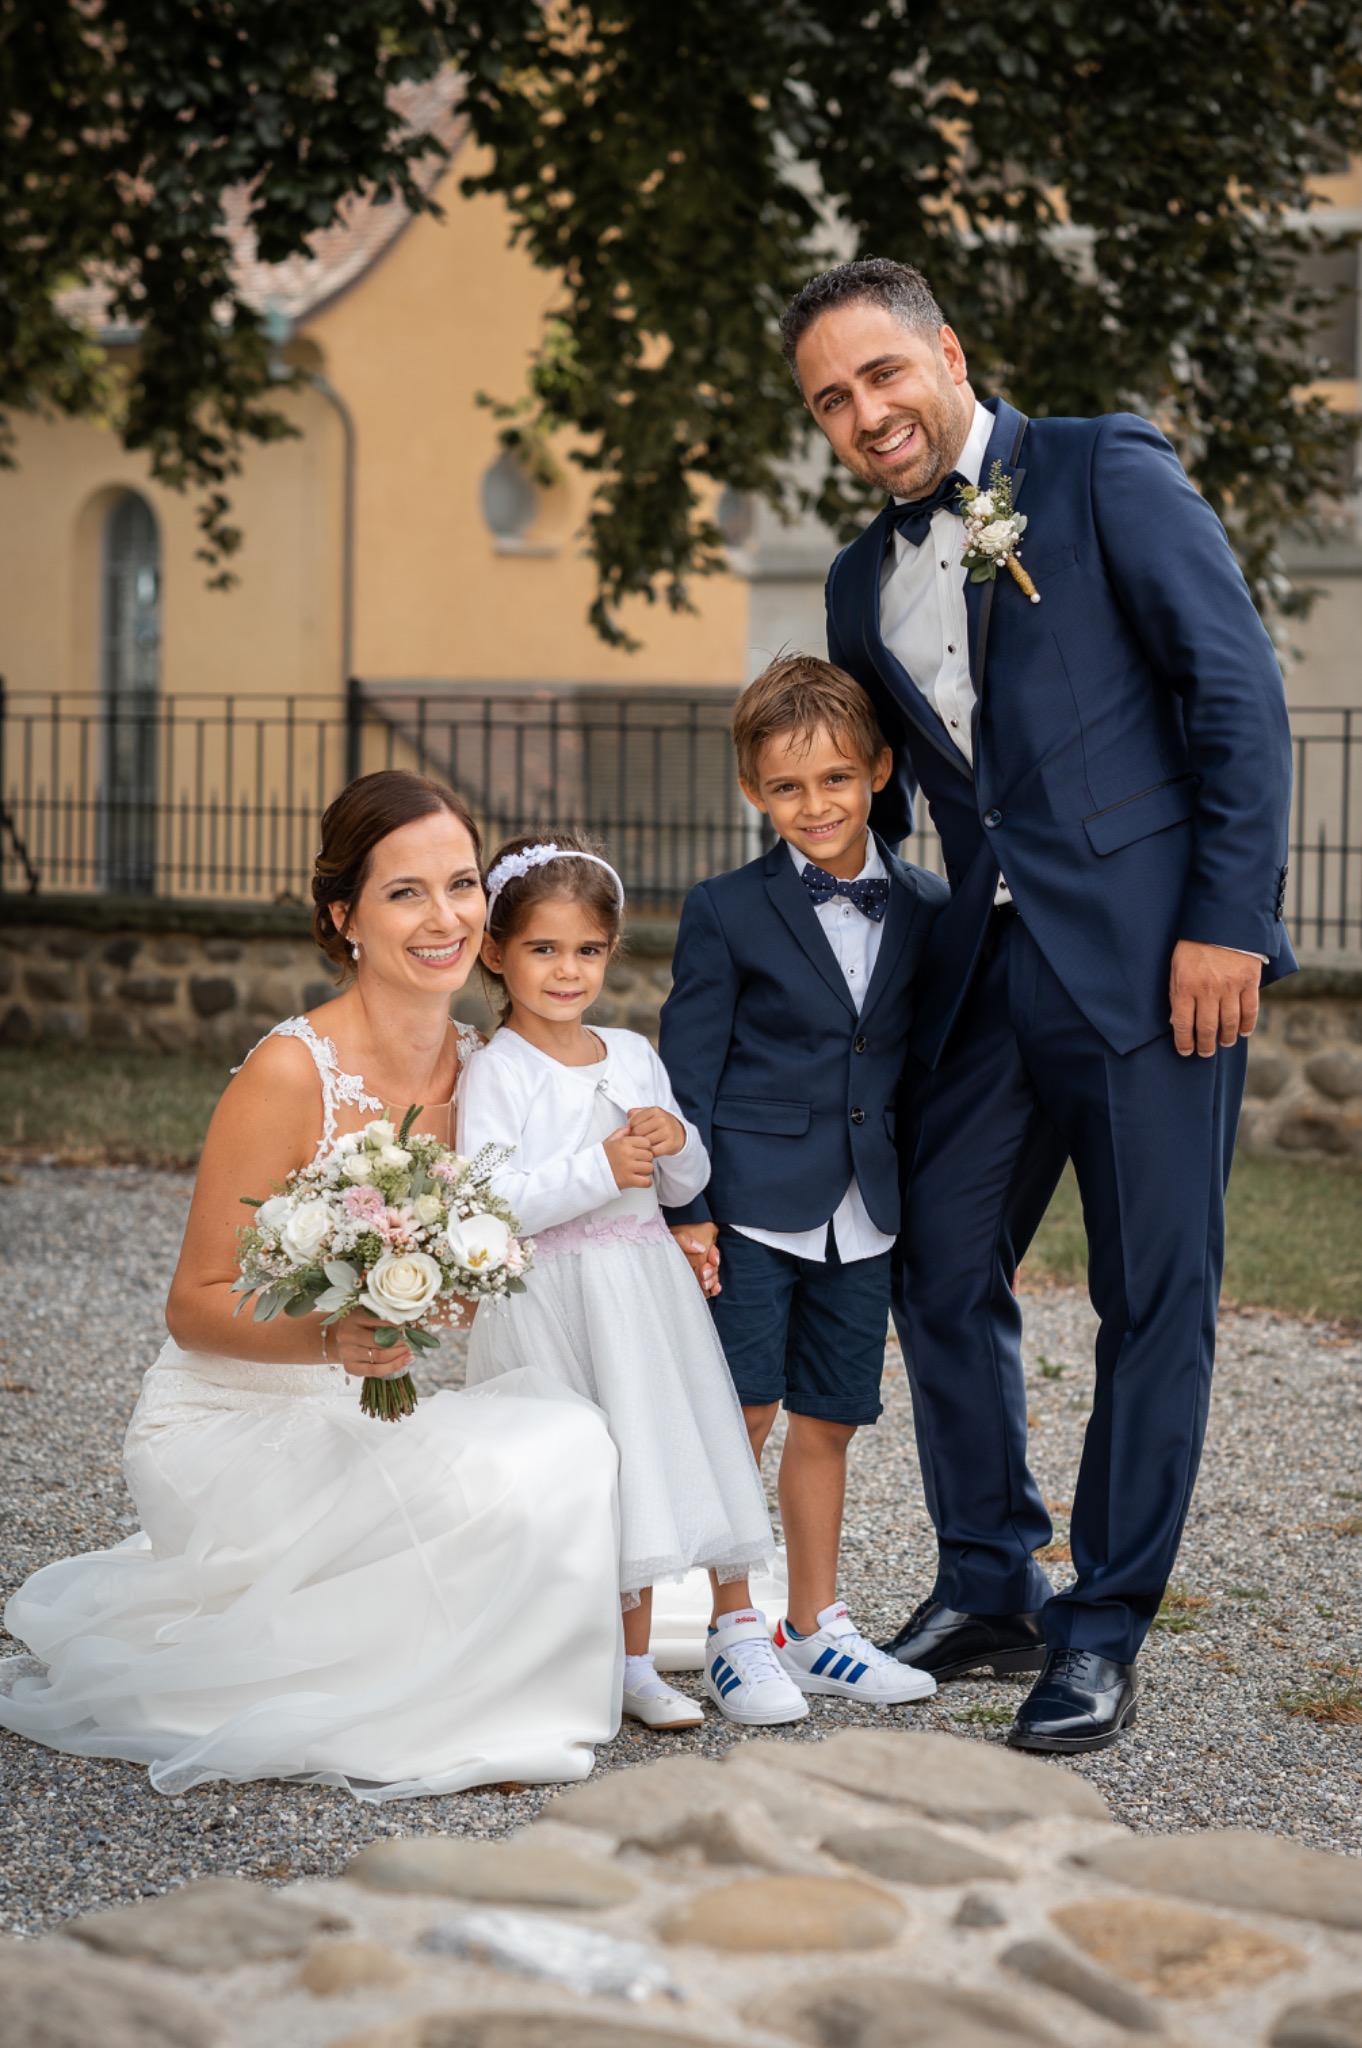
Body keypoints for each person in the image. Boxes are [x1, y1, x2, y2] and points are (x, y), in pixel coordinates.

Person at [785, 256, 1295, 1750]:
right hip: (987, 979)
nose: (865, 412)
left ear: (944, 354)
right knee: (935, 1263)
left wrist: (1226, 927)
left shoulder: (1096, 467)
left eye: (882, 374)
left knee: (1154, 1297)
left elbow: (1235, 695)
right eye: (831, 399)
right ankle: (991, 1581)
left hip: (1156, 972)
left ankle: (1103, 1622)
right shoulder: (850, 583)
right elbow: (881, 806)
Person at [0, 771, 624, 1798]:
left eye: (463, 884)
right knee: (507, 1480)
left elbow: (566, 1197)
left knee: (570, 1439)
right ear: (344, 916)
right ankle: (445, 1697)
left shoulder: (493, 1066)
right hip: (239, 1416)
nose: (446, 918)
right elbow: (195, 1301)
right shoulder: (291, 1072)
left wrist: (677, 1232)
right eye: (405, 892)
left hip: (399, 1401)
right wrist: (331, 1340)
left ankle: (482, 1665)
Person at [658, 657, 948, 1713]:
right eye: (787, 787)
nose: (814, 805)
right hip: (748, 1200)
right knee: (746, 1408)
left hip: (866, 1208)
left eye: (834, 779)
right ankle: (736, 1621)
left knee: (829, 1416)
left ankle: (816, 1624)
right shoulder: (726, 909)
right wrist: (686, 1212)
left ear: (877, 770)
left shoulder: (927, 904)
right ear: (752, 791)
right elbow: (685, 1075)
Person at [458, 832, 782, 1731]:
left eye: (588, 950)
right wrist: (603, 1166)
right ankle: (570, 1654)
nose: (569, 971)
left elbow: (681, 1182)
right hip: (556, 1301)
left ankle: (636, 1664)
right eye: (544, 949)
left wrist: (677, 1147)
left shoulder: (632, 1052)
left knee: (639, 1467)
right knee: (575, 1476)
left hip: (642, 1293)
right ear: (495, 951)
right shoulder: (498, 1071)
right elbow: (491, 1203)